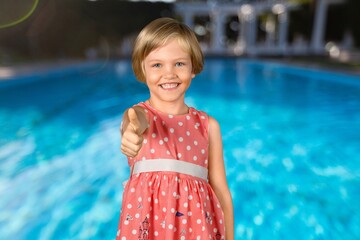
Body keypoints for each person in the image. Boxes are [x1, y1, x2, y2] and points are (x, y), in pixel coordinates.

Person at [116, 17, 234, 240]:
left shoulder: (208, 126)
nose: (168, 73)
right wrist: (130, 133)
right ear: (143, 69)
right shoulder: (141, 116)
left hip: (197, 230)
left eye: (179, 63)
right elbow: (133, 121)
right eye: (157, 65)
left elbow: (221, 192)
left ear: (193, 68)